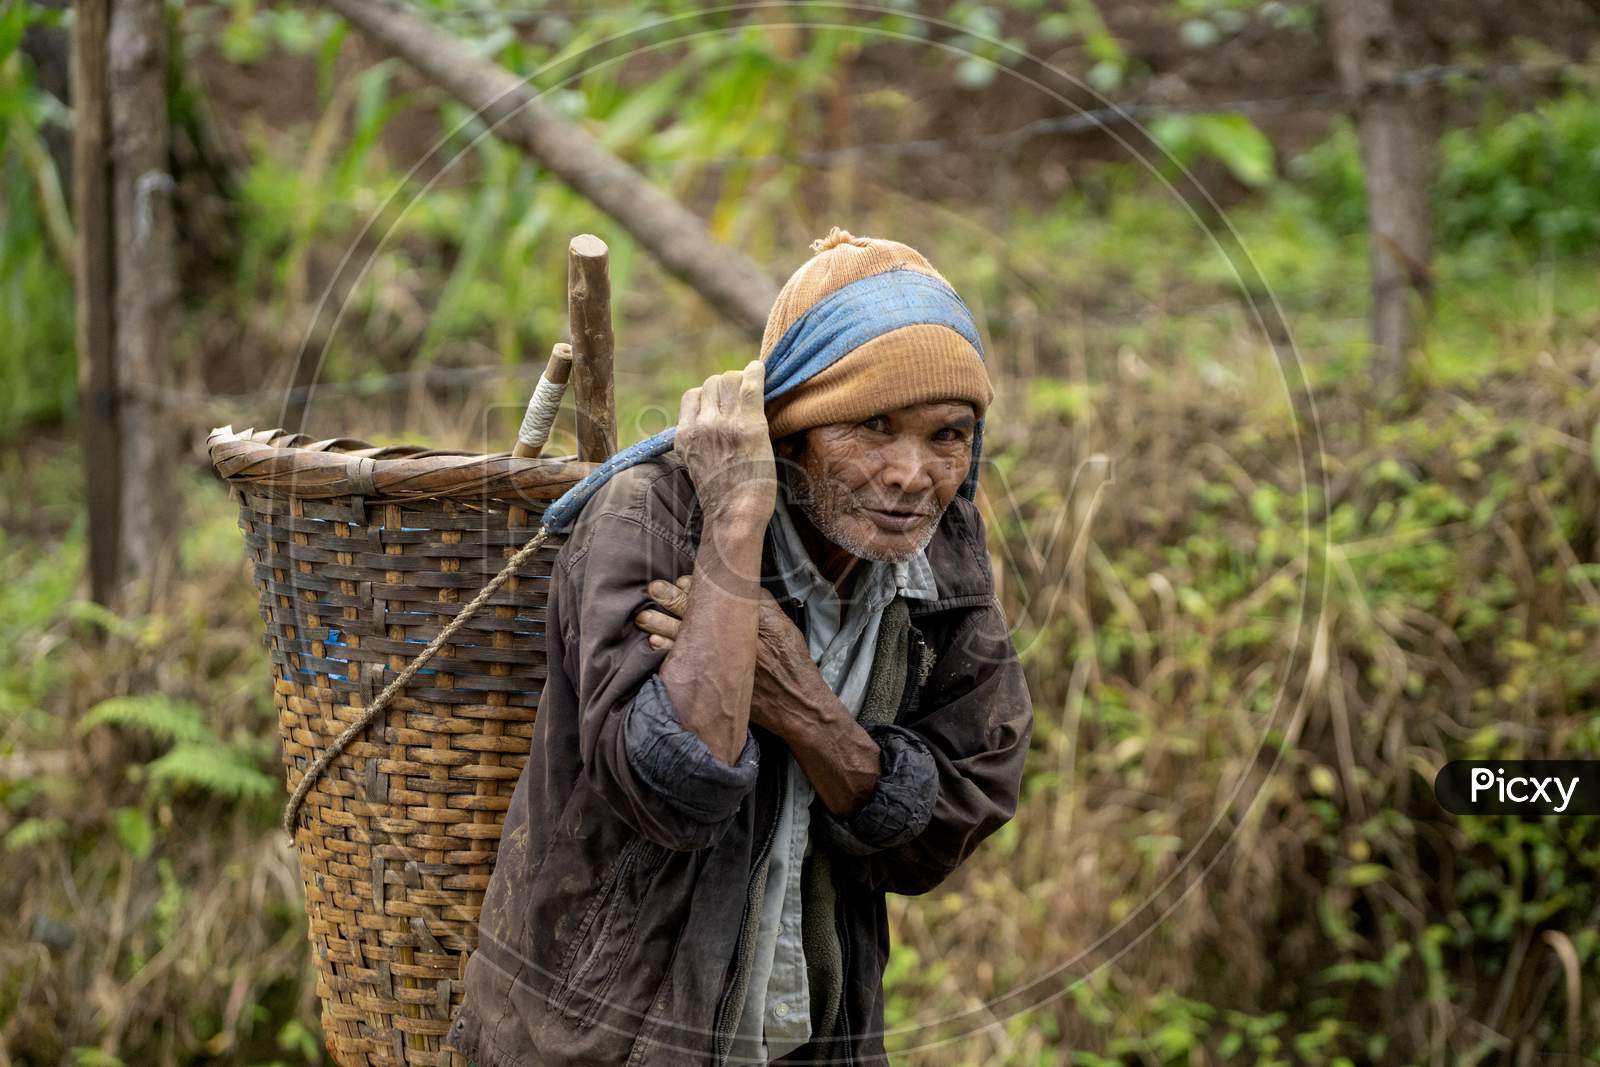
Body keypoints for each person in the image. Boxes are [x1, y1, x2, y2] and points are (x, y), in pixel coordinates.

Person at [448, 228, 1033, 1066]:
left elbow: (952, 818)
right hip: (599, 1044)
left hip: (813, 1039)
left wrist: (801, 704)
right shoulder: (648, 517)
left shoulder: (944, 553)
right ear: (789, 430)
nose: (915, 473)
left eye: (948, 434)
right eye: (874, 425)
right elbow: (673, 790)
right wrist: (734, 519)